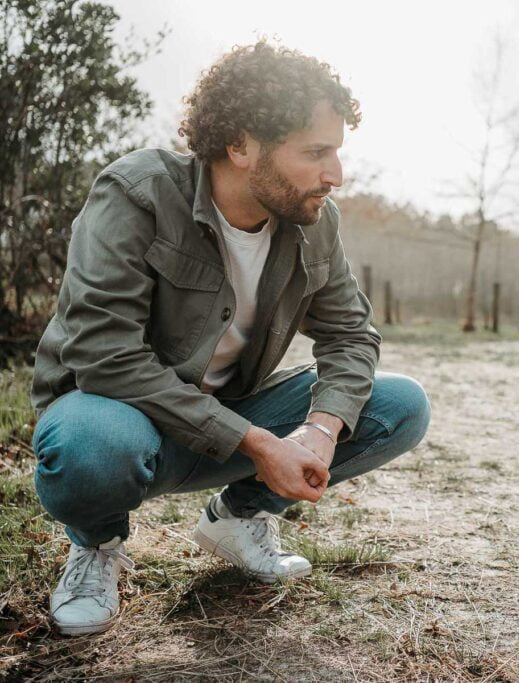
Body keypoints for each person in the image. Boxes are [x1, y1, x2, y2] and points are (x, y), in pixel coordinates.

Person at [30, 42, 430, 636]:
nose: (335, 175)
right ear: (240, 145)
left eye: (337, 153)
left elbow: (351, 335)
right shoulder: (138, 193)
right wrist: (258, 444)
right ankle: (95, 547)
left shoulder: (315, 223)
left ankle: (239, 517)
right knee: (92, 445)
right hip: (120, 416)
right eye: (316, 152)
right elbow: (102, 354)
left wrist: (319, 432)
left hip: (227, 419)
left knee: (399, 405)